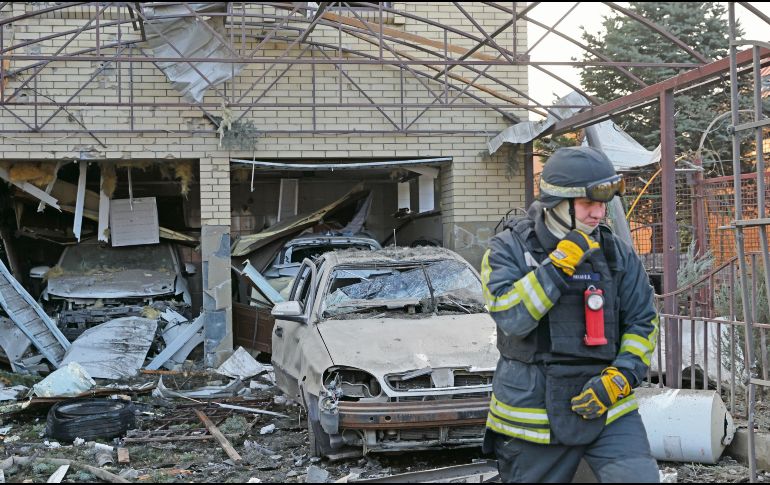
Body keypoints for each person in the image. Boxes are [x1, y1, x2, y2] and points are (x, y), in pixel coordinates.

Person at [481, 146, 660, 483]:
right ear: (557, 204)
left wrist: (621, 377)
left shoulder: (616, 252)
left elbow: (643, 321)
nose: (598, 213)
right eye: (589, 203)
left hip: (609, 409)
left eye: (602, 204)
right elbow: (511, 318)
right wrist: (557, 266)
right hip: (531, 417)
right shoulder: (507, 249)